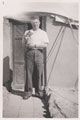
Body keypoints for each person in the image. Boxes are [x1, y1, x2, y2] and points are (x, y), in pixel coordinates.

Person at [22, 18, 49, 99]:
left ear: (39, 23)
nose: (35, 24)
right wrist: (26, 38)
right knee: (28, 72)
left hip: (39, 53)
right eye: (33, 23)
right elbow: (23, 43)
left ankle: (38, 92)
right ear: (31, 24)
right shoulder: (27, 32)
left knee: (39, 72)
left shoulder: (43, 33)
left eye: (37, 22)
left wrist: (35, 45)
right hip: (29, 53)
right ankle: (28, 92)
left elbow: (45, 45)